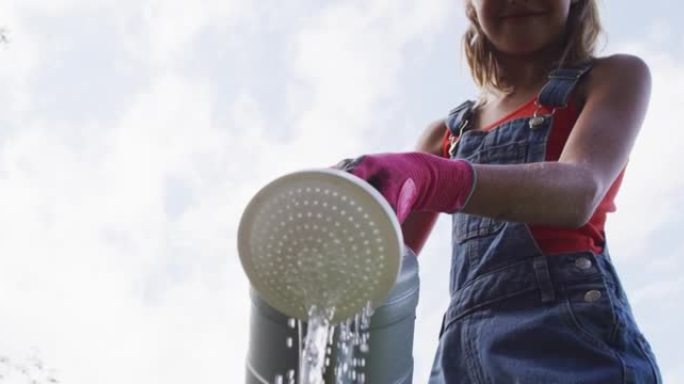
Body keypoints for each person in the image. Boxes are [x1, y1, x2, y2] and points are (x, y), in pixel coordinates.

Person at [340, 0, 663, 382]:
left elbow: (580, 188)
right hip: (459, 361)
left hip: (571, 343)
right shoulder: (445, 135)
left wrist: (433, 176)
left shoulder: (613, 77)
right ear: (471, 7)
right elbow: (381, 271)